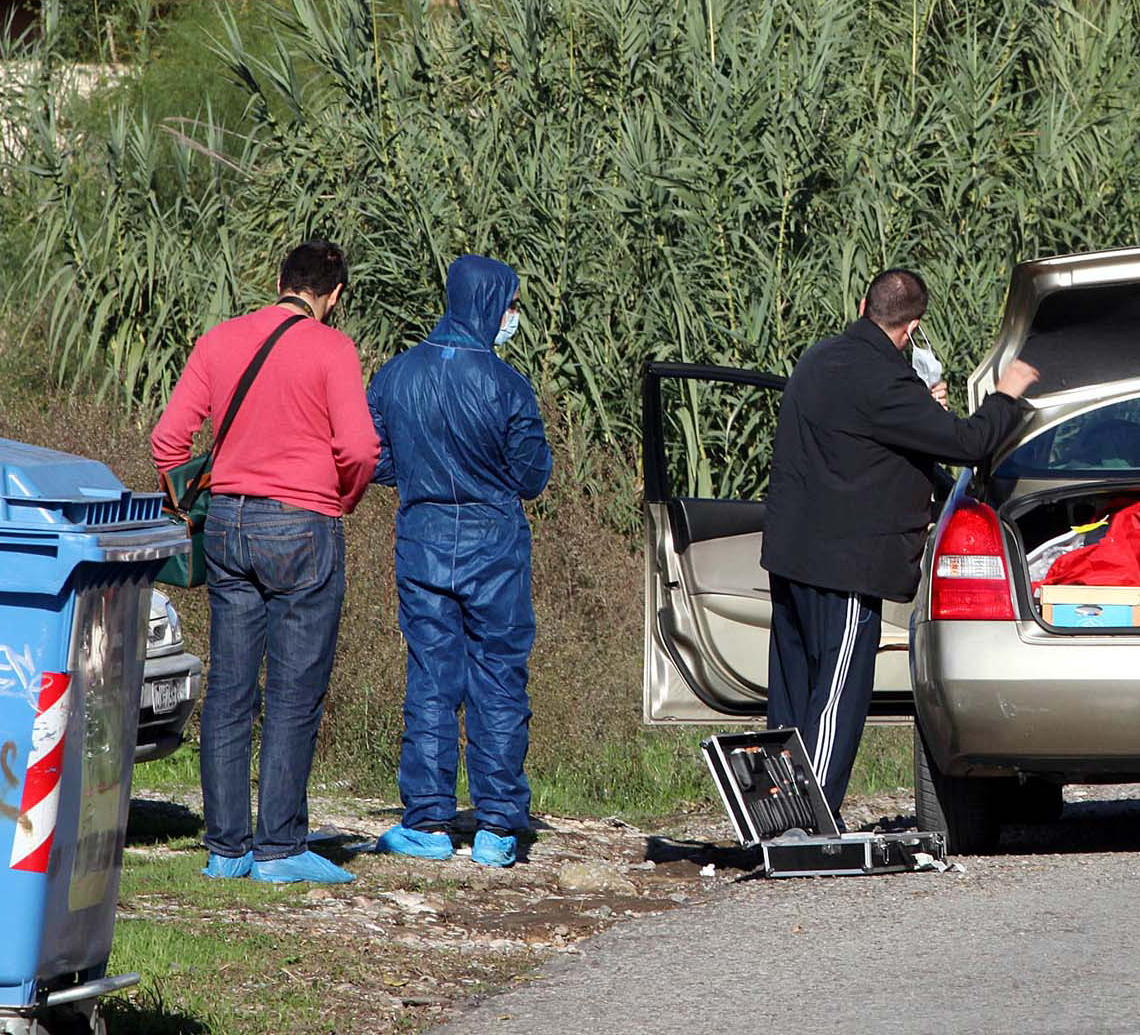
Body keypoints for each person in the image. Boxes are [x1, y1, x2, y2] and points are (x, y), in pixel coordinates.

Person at [760, 268, 1039, 822]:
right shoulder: (886, 383)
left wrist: (920, 405)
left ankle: (772, 813)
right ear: (912, 328)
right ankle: (805, 822)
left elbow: (871, 447)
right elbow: (968, 443)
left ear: (863, 304)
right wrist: (1007, 394)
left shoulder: (818, 359)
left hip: (790, 559)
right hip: (843, 568)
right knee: (838, 696)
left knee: (792, 696)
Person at [152, 240, 380, 883]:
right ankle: (279, 848)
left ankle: (226, 849)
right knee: (293, 690)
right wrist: (341, 498)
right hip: (304, 524)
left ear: (278, 280)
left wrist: (186, 502)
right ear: (332, 296)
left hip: (227, 523)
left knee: (229, 687)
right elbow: (361, 448)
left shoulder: (219, 340)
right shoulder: (333, 348)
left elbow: (169, 440)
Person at [366, 253, 552, 868]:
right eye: (512, 304)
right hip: (493, 546)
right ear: (489, 303)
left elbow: (376, 458)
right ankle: (497, 825)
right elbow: (531, 476)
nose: (513, 316)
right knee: (498, 680)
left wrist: (421, 479)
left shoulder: (396, 374)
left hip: (422, 542)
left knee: (430, 679)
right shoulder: (506, 385)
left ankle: (428, 821)